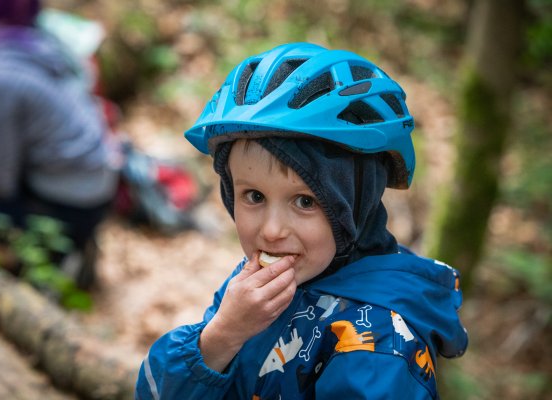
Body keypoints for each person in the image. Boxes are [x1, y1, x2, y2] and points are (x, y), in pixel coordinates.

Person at [135, 42, 468, 399]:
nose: (271, 230)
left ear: (357, 204)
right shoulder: (256, 288)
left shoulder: (377, 348)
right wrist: (222, 334)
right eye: (254, 196)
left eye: (305, 201)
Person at [0, 3, 118, 260]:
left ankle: (44, 256)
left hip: (75, 202)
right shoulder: (5, 53)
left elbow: (1, 182)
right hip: (98, 178)